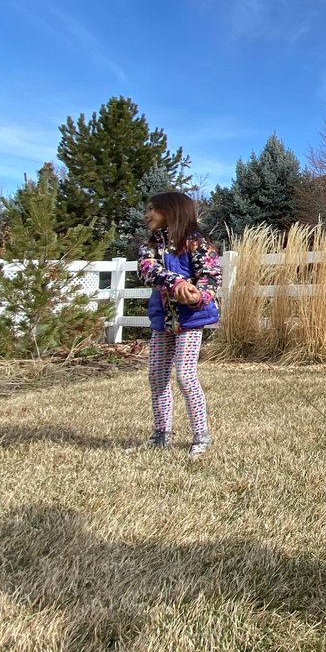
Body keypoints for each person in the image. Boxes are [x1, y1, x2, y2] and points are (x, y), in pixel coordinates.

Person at [137, 191, 220, 461]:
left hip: (190, 320)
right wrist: (176, 282)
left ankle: (201, 435)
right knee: (157, 376)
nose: (147, 214)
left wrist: (198, 295)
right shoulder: (151, 244)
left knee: (185, 375)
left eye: (153, 209)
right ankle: (161, 434)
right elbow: (146, 268)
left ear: (171, 210)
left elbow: (209, 276)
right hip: (163, 319)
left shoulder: (198, 242)